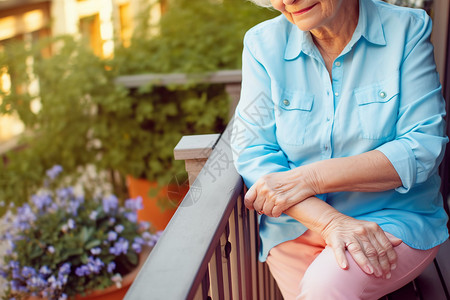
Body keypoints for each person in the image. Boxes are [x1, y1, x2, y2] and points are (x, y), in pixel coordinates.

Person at [231, 0, 449, 299]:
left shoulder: (405, 29)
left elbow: (423, 147)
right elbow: (253, 150)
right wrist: (329, 221)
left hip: (391, 220)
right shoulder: (262, 44)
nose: (287, 1)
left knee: (325, 289)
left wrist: (310, 178)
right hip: (295, 228)